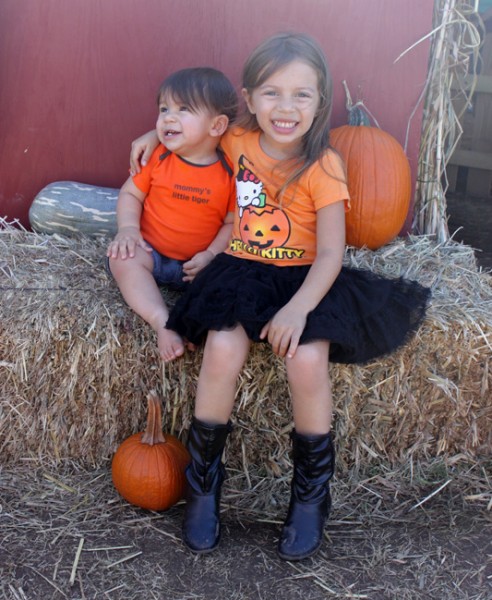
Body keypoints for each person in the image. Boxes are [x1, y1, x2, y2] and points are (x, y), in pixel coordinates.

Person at [130, 33, 431, 560]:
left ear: (320, 102)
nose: (286, 108)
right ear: (248, 98)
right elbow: (193, 129)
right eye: (272, 93)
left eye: (301, 95)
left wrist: (298, 309)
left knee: (307, 359)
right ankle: (203, 487)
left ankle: (311, 496)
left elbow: (332, 253)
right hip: (242, 272)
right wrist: (152, 134)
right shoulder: (237, 140)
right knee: (222, 349)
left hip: (303, 279)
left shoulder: (324, 165)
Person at [107, 67, 237, 361]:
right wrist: (128, 230)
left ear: (217, 125)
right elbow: (130, 194)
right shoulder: (159, 157)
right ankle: (161, 320)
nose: (167, 117)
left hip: (196, 266)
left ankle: (190, 325)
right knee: (122, 259)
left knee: (226, 282)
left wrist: (212, 255)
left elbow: (232, 224)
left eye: (183, 109)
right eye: (164, 109)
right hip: (150, 252)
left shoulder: (229, 173)